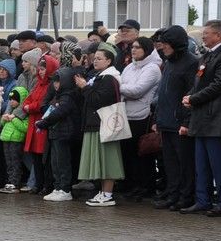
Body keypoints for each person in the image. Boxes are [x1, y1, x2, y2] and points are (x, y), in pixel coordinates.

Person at [181, 20, 221, 217]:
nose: (203, 36)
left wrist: (193, 98)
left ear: (219, 36)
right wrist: (189, 96)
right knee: (201, 163)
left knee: (217, 163)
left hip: (215, 118)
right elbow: (198, 82)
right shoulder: (206, 56)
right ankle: (202, 200)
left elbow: (218, 85)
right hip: (201, 117)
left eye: (207, 33)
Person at [152, 26, 199, 211]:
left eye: (165, 44)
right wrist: (157, 118)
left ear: (176, 44)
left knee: (185, 163)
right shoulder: (169, 61)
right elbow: (162, 93)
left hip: (180, 122)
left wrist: (186, 122)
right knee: (170, 164)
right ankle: (172, 195)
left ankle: (185, 196)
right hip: (165, 120)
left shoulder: (191, 62)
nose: (162, 47)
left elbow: (190, 94)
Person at [76, 44, 125, 207]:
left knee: (108, 160)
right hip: (97, 124)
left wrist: (85, 88)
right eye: (94, 58)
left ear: (109, 60)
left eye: (99, 58)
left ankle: (108, 194)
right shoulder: (100, 77)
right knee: (102, 160)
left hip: (104, 124)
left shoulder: (110, 78)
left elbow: (99, 100)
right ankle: (103, 192)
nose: (95, 61)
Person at [118, 36, 162, 199]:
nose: (133, 49)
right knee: (127, 152)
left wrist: (120, 87)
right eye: (132, 47)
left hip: (142, 116)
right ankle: (131, 184)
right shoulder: (130, 67)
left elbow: (138, 90)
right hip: (126, 114)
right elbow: (125, 86)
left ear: (147, 50)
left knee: (142, 153)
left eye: (138, 47)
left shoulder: (152, 68)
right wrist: (124, 88)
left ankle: (145, 186)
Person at [37, 68, 81, 201]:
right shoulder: (59, 95)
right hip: (56, 132)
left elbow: (60, 112)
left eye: (58, 81)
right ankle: (57, 187)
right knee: (55, 162)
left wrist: (44, 123)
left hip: (64, 133)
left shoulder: (68, 96)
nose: (55, 85)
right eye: (54, 82)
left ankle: (65, 189)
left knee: (62, 162)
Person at [22, 55, 59, 194]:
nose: (41, 71)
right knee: (35, 157)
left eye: (43, 69)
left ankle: (46, 185)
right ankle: (38, 184)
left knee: (44, 157)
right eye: (40, 69)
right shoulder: (38, 84)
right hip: (35, 123)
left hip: (43, 123)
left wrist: (29, 107)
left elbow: (42, 103)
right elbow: (28, 99)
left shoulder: (50, 85)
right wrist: (28, 106)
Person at [0, 87, 29, 193]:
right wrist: (4, 119)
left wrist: (14, 119)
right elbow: (2, 124)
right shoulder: (10, 111)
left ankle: (15, 183)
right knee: (9, 162)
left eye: (14, 99)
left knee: (15, 161)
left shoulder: (23, 113)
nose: (12, 101)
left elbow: (25, 128)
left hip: (16, 140)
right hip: (6, 139)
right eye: (10, 99)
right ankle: (10, 180)